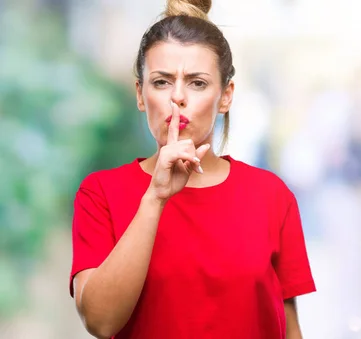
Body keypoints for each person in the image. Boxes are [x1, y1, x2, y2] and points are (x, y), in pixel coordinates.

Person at [68, 0, 316, 338]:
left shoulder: (271, 196)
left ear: (226, 96)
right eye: (161, 82)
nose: (178, 98)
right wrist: (155, 197)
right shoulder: (100, 193)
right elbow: (99, 321)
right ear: (140, 94)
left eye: (197, 83)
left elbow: (289, 329)